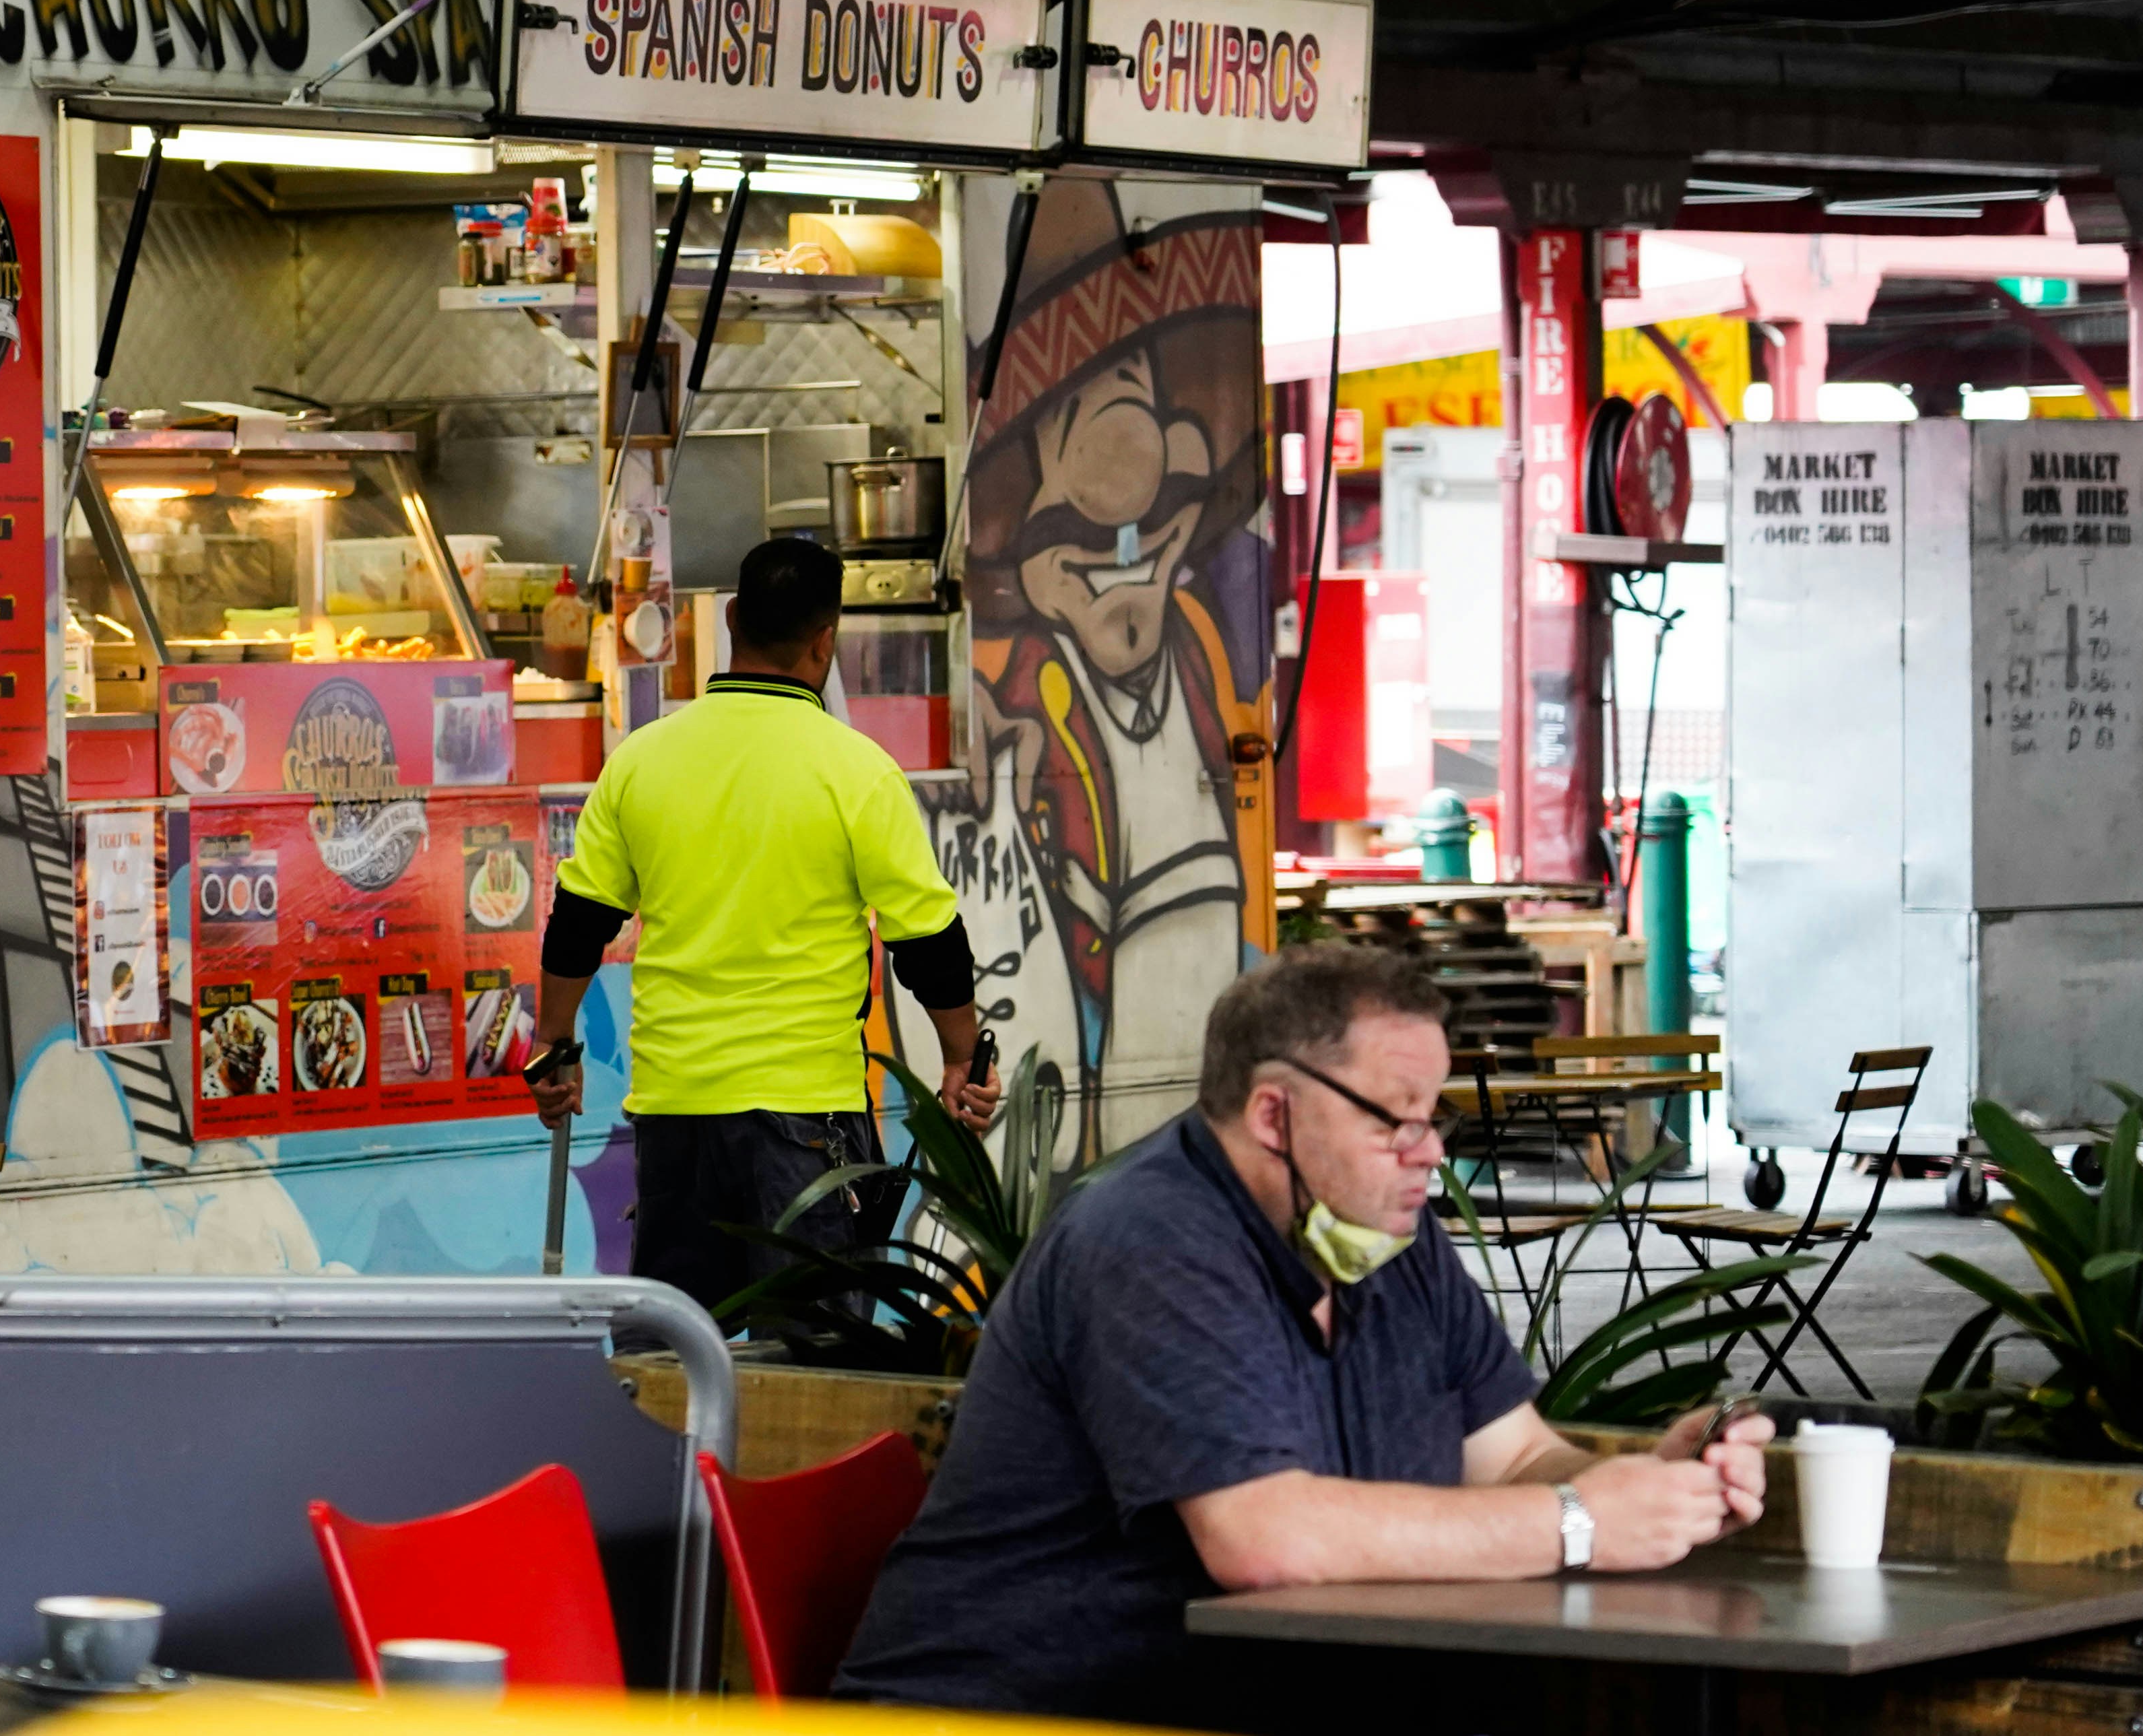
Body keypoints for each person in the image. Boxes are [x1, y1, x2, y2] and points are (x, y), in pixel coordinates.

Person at [835, 941, 1773, 1725]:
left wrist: (1653, 1487)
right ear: (1273, 1113)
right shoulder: (1151, 1237)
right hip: (1017, 1708)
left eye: (1434, 1113)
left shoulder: (1383, 1230)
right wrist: (1581, 1522)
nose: (1431, 1150)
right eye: (1396, 1118)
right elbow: (1262, 1538)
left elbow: (1510, 1455)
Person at [531, 535, 1000, 1331]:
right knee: (817, 1367)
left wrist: (555, 1048)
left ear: (733, 621)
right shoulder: (856, 770)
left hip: (676, 1115)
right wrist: (961, 1058)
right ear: (827, 641)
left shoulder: (643, 762)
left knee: (672, 1368)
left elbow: (578, 922)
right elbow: (929, 943)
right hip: (806, 1122)